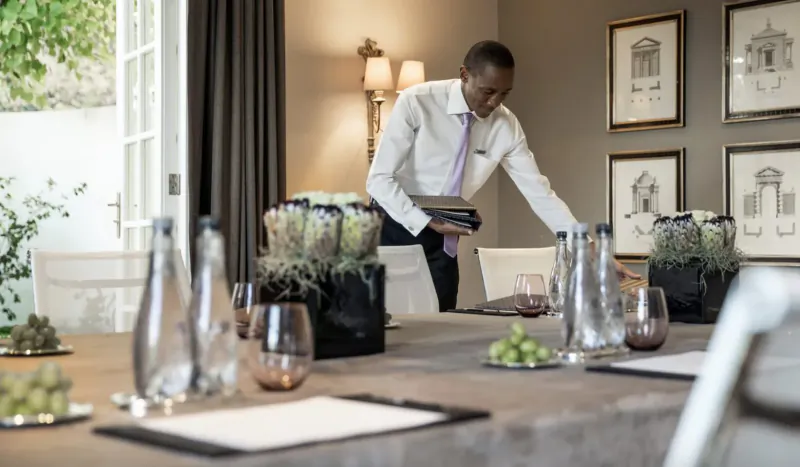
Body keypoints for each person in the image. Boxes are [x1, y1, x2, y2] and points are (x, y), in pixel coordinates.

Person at [366, 40, 640, 312]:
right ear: (465, 75)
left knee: (442, 328)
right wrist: (426, 221)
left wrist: (590, 251)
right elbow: (378, 180)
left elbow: (540, 194)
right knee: (387, 329)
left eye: (504, 94)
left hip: (444, 239)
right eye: (488, 91)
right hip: (393, 226)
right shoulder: (416, 102)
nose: (495, 102)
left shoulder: (506, 126)